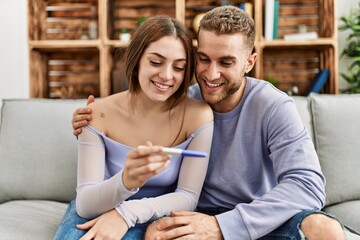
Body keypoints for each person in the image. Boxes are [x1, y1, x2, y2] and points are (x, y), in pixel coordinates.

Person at [72, 6, 347, 240]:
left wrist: (223, 226)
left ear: (249, 62)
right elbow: (133, 112)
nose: (211, 74)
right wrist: (88, 120)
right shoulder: (185, 103)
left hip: (258, 217)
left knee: (326, 229)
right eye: (203, 59)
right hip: (196, 215)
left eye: (226, 62)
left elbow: (308, 185)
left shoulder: (273, 106)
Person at [55, 15, 214, 240]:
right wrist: (126, 181)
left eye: (178, 67)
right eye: (156, 62)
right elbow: (85, 205)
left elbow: (187, 197)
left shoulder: (199, 116)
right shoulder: (98, 113)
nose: (167, 76)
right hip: (100, 207)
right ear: (137, 59)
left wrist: (126, 213)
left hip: (160, 212)